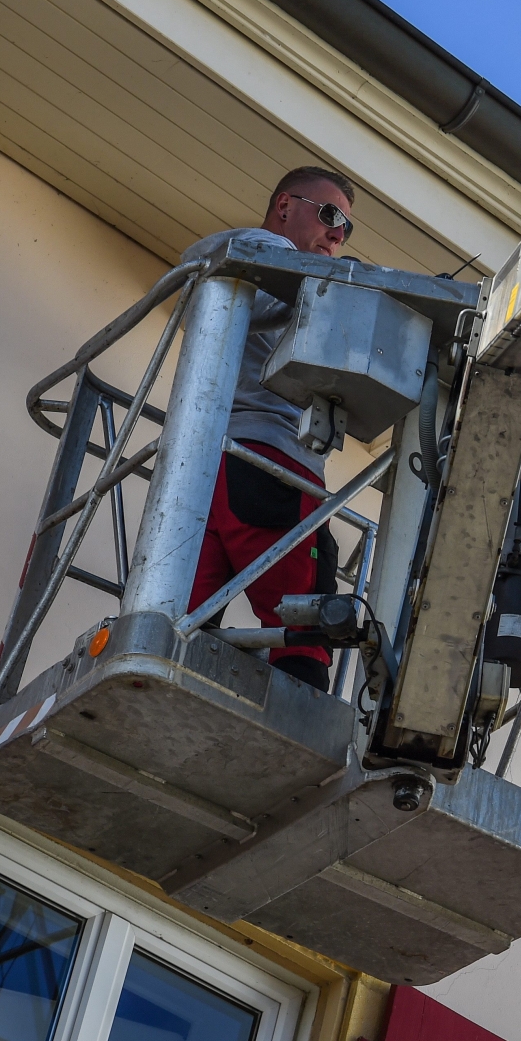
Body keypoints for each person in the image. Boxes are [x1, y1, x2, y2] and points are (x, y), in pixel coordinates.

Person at [181, 167, 359, 692]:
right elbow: (257, 293)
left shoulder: (251, 268)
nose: (337, 235)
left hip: (202, 472)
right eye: (330, 216)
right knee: (304, 634)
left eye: (346, 228)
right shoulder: (262, 251)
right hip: (271, 465)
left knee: (180, 628)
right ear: (285, 206)